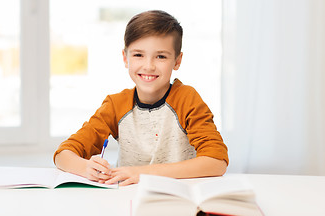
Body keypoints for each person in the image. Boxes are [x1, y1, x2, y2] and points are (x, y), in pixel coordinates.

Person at [54, 10, 228, 186]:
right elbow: (63, 155)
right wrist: (85, 168)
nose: (149, 66)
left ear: (177, 61)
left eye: (161, 56)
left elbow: (217, 162)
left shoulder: (187, 99)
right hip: (126, 198)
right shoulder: (116, 105)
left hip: (175, 197)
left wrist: (143, 174)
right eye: (138, 55)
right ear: (125, 58)